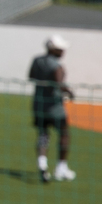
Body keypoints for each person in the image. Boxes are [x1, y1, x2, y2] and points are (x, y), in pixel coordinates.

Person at [30, 35, 76, 183]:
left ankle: (42, 165)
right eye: (61, 49)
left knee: (43, 134)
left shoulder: (37, 61)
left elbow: (31, 76)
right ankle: (61, 167)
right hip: (55, 106)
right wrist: (69, 92)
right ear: (54, 50)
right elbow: (59, 83)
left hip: (38, 103)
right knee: (64, 133)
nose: (63, 52)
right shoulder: (57, 65)